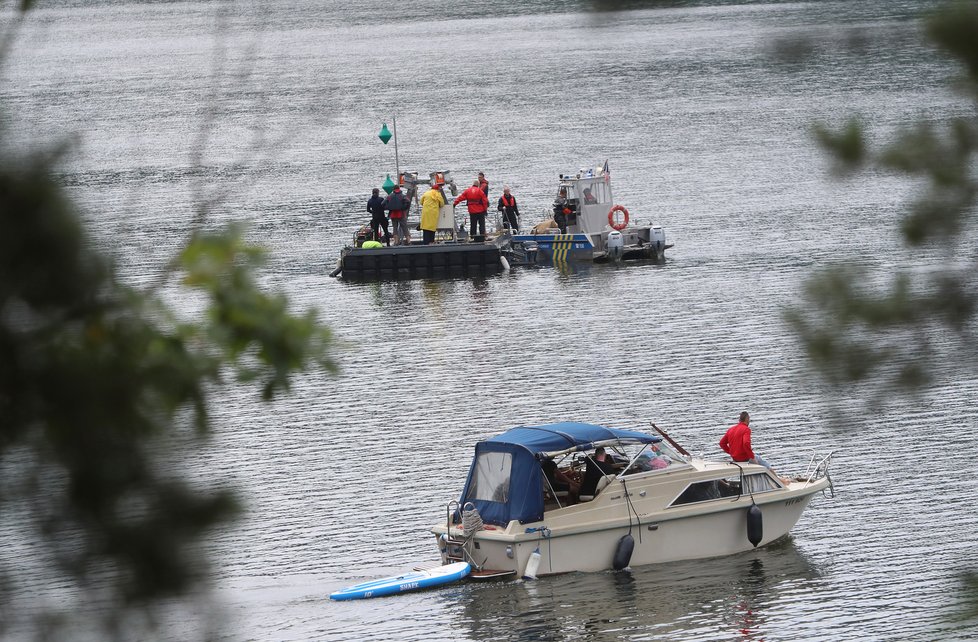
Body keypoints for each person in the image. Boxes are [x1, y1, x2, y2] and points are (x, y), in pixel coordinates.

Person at [720, 412, 791, 484]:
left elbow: (722, 443)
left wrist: (732, 452)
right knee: (763, 463)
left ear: (739, 420)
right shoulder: (746, 429)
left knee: (758, 459)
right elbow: (746, 443)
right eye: (749, 419)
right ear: (747, 419)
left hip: (735, 458)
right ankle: (779, 481)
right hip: (745, 458)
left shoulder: (731, 430)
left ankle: (777, 478)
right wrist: (751, 456)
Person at [419, 180, 445, 245]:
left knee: (425, 228)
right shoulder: (438, 194)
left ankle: (425, 243)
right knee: (432, 228)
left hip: (425, 212)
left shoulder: (426, 193)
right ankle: (431, 242)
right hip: (433, 213)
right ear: (437, 189)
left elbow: (421, 202)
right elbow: (442, 204)